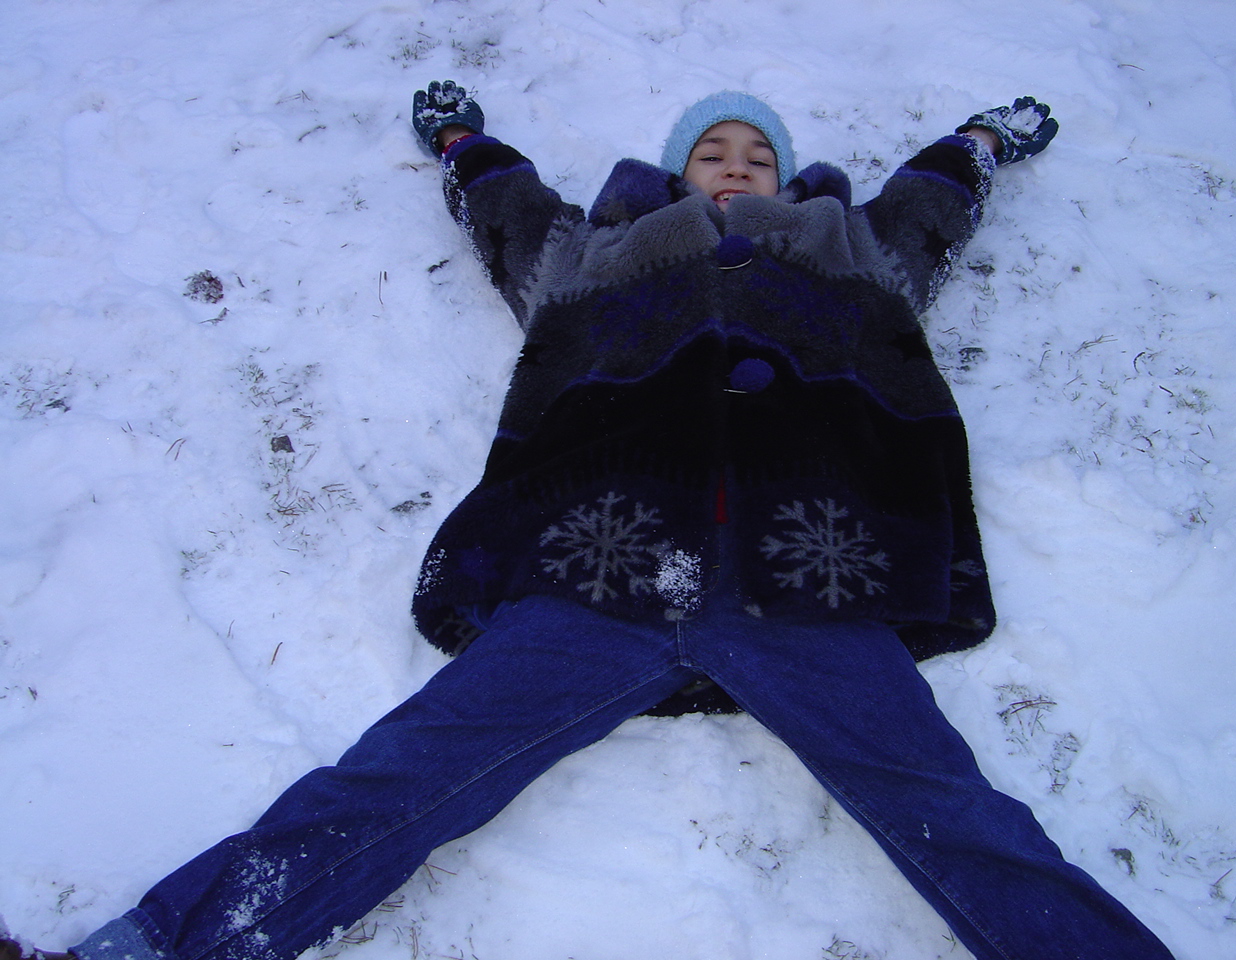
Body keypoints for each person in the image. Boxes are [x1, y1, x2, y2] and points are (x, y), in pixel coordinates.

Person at [1, 86, 1176, 960]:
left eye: (755, 156)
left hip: (806, 588)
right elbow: (510, 219)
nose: (733, 168)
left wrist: (973, 146)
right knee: (399, 778)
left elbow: (922, 215)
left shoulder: (845, 251)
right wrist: (464, 146)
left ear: (785, 179)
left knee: (952, 814)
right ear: (673, 175)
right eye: (709, 153)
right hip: (598, 573)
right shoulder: (597, 255)